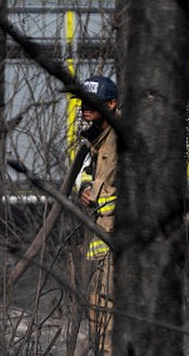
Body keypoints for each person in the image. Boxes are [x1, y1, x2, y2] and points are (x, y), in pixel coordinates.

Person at [75, 75, 118, 355]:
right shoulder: (95, 137)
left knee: (107, 302)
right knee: (97, 301)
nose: (84, 108)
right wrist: (85, 187)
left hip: (118, 236)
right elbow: (85, 175)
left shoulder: (121, 139)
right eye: (82, 102)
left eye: (93, 103)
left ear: (111, 104)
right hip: (99, 234)